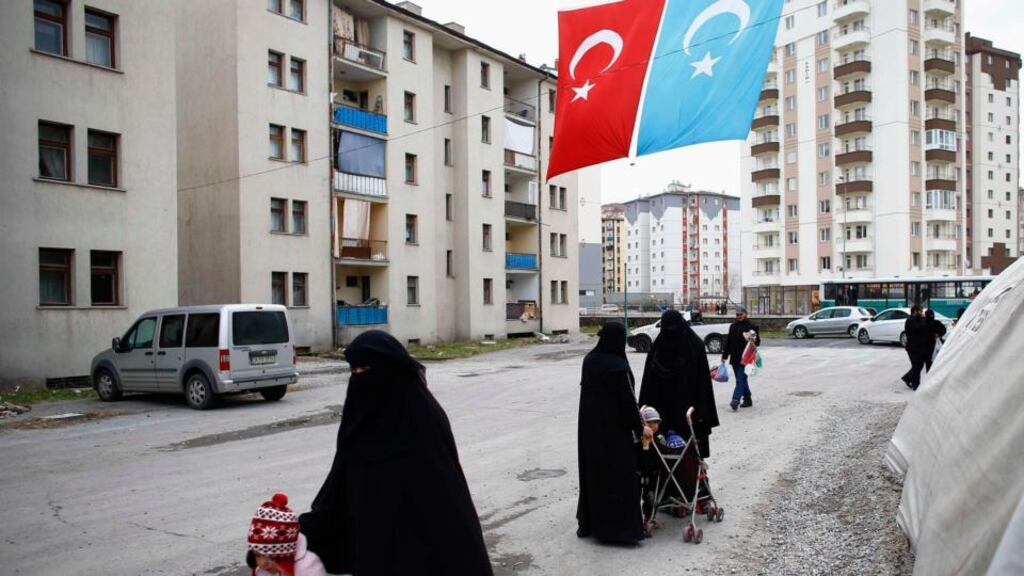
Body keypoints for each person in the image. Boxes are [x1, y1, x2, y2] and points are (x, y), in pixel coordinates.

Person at [299, 331, 493, 576]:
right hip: (375, 551)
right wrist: (286, 535)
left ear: (392, 371)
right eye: (354, 371)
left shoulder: (423, 423)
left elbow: (447, 504)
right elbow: (336, 497)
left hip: (423, 554)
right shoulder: (359, 426)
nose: (359, 378)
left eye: (366, 369)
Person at [576, 322, 651, 544]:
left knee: (595, 477)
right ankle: (622, 531)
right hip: (615, 434)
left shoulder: (589, 360)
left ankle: (592, 525)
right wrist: (641, 427)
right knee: (621, 479)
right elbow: (628, 402)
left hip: (590, 432)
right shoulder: (618, 366)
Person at [638, 310, 720, 458]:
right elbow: (648, 383)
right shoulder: (693, 345)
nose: (671, 334)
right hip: (675, 411)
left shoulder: (661, 347)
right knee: (663, 454)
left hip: (683, 412)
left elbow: (702, 383)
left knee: (685, 456)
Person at [246, 493, 327, 576]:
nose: (263, 563)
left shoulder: (308, 568)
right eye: (258, 555)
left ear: (285, 556)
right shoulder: (260, 571)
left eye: (270, 556)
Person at [721, 306, 761, 411]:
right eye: (737, 315)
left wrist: (752, 339)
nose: (738, 316)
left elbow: (757, 342)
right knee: (741, 379)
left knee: (740, 379)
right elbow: (729, 342)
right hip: (735, 358)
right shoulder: (733, 326)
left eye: (740, 314)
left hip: (746, 358)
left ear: (745, 314)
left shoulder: (752, 327)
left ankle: (735, 400)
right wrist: (725, 355)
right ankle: (747, 399)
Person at [902, 305, 931, 390]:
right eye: (920, 311)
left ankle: (907, 378)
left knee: (918, 366)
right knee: (916, 366)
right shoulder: (910, 321)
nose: (922, 313)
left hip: (919, 348)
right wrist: (923, 319)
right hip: (912, 348)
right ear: (915, 311)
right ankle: (916, 385)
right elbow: (918, 328)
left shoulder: (918, 320)